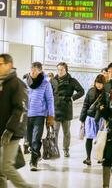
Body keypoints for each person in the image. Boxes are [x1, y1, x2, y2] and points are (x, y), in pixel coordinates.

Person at [0, 54, 32, 188]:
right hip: (1, 130)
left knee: (6, 167)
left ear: (9, 64)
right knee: (1, 170)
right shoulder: (2, 83)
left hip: (12, 132)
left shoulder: (17, 84)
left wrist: (10, 130)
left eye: (0, 64)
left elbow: (21, 109)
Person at [25, 62, 55, 171]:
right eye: (31, 70)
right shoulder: (26, 81)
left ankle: (33, 162)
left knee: (35, 138)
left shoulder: (45, 83)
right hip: (27, 114)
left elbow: (50, 100)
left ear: (40, 71)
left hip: (39, 115)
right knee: (28, 139)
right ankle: (36, 154)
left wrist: (51, 115)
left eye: (35, 71)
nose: (32, 72)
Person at [51, 62, 84, 158]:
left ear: (66, 70)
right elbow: (48, 93)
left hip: (66, 110)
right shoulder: (53, 80)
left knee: (66, 132)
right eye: (58, 69)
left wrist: (72, 98)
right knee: (55, 132)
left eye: (62, 69)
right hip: (55, 109)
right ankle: (55, 149)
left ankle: (66, 150)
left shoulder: (72, 81)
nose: (60, 71)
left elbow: (81, 91)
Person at [79, 74, 108, 166]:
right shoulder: (90, 91)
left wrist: (105, 112)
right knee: (89, 138)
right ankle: (88, 158)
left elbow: (108, 107)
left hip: (101, 118)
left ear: (104, 84)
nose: (98, 85)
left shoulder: (106, 94)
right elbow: (85, 105)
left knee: (101, 139)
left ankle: (101, 157)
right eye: (97, 83)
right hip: (90, 118)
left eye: (100, 83)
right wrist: (82, 118)